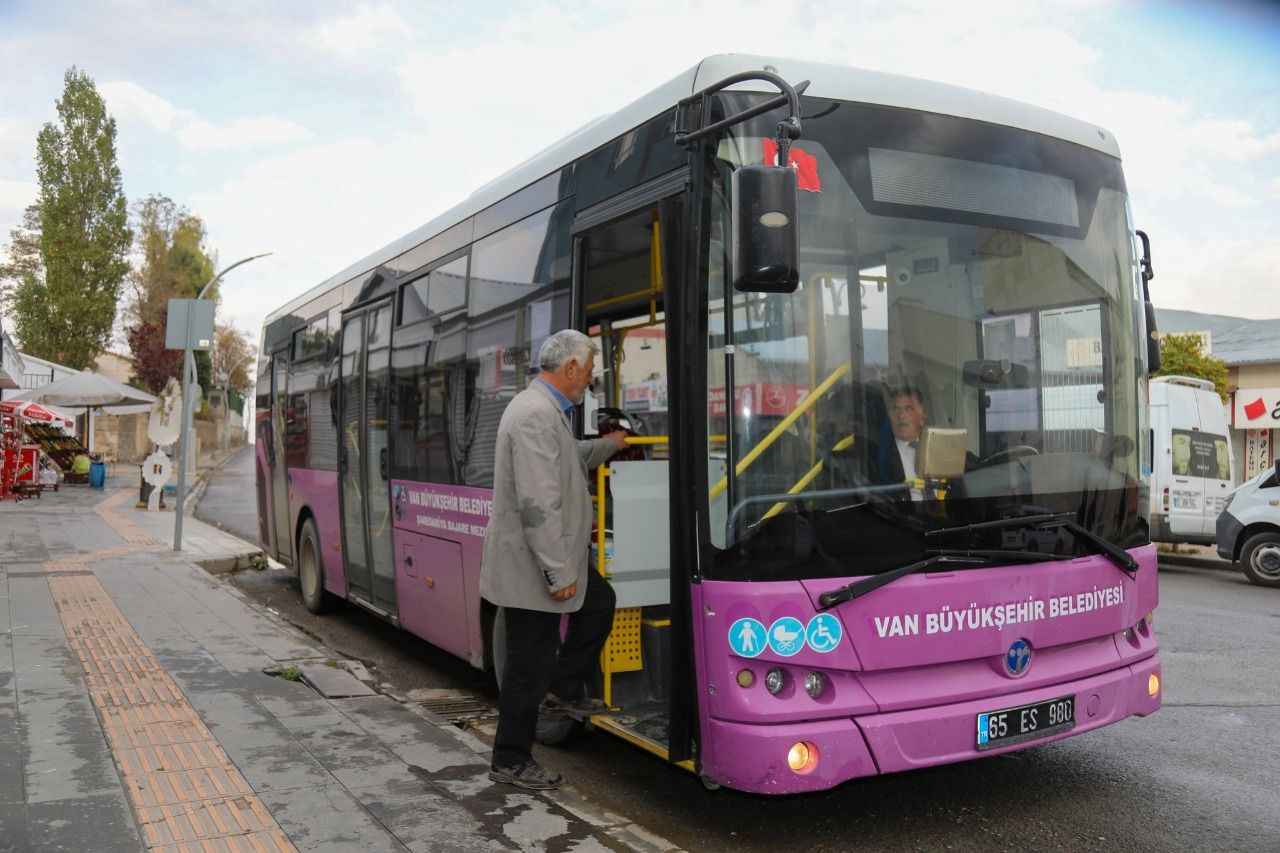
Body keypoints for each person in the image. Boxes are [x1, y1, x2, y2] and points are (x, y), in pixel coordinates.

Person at [480, 329, 628, 791]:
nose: (589, 381)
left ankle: (563, 689)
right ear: (569, 369)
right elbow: (537, 501)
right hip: (532, 565)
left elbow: (569, 459)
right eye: (587, 372)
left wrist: (612, 446)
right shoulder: (533, 416)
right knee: (527, 665)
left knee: (599, 602)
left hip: (552, 556)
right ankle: (510, 759)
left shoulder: (546, 413)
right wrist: (558, 572)